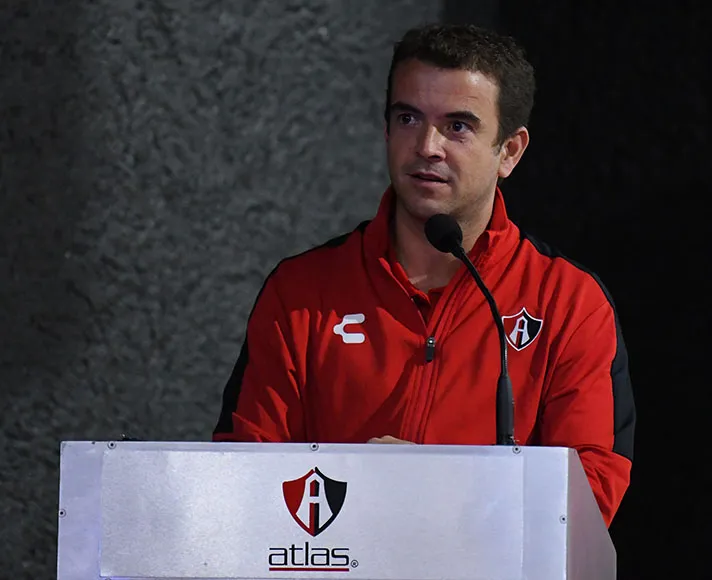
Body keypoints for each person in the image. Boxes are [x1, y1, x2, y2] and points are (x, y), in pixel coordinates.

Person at [212, 22, 635, 526]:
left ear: (510, 152)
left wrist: (430, 487)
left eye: (458, 126)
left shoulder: (568, 302)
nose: (427, 145)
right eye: (408, 118)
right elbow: (243, 476)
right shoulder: (302, 292)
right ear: (386, 130)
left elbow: (590, 495)